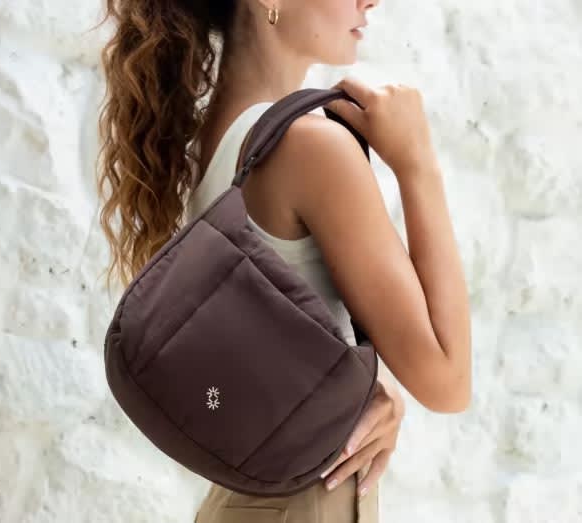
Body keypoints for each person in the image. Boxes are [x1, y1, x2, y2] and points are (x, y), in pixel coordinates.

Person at [95, 0, 472, 521]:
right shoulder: (309, 145)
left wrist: (367, 390)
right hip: (305, 503)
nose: (370, 1)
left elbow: (269, 334)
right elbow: (448, 381)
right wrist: (418, 162)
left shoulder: (219, 134)